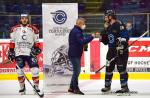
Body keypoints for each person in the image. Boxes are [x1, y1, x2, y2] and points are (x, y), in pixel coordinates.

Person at [8, 14, 42, 95]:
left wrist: (36, 48)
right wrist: (11, 51)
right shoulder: (14, 29)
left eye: (25, 18)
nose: (24, 20)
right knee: (19, 71)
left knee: (35, 70)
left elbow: (37, 42)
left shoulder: (34, 29)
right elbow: (12, 42)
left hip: (30, 53)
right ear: (20, 19)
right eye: (22, 18)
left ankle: (36, 87)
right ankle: (22, 88)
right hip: (18, 53)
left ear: (28, 19)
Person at [99, 10, 130, 94]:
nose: (105, 18)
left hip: (120, 50)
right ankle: (107, 86)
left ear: (110, 17)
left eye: (106, 16)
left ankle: (124, 87)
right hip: (111, 51)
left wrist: (122, 45)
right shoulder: (108, 27)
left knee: (121, 68)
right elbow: (107, 41)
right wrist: (102, 38)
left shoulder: (119, 24)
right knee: (108, 68)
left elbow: (125, 35)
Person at [68, 18, 95, 95]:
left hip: (74, 53)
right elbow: (82, 41)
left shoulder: (76, 31)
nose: (84, 25)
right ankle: (75, 88)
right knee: (77, 71)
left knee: (75, 71)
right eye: (83, 24)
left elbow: (80, 41)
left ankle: (71, 87)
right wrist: (91, 37)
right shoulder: (76, 31)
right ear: (80, 23)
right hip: (74, 54)